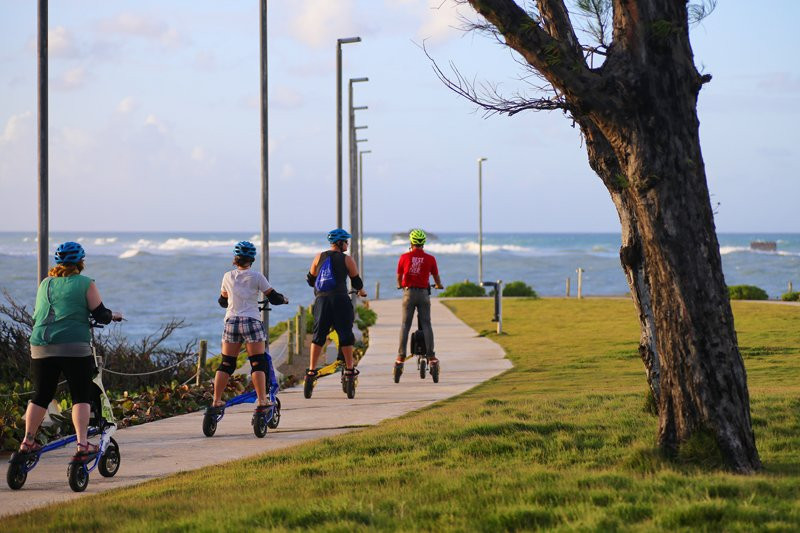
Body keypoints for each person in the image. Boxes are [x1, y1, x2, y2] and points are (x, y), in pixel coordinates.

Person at [21, 242, 122, 460]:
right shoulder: (85, 283)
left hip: (40, 345)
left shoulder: (45, 283)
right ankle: (82, 444)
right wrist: (113, 315)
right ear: (80, 262)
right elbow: (101, 314)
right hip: (74, 346)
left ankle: (27, 441)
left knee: (41, 396)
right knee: (80, 395)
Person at [209, 241, 287, 418]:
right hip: (251, 321)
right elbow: (273, 297)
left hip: (232, 322)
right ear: (252, 259)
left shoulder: (227, 276)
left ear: (235, 259)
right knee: (258, 362)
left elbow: (222, 301)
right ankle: (262, 400)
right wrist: (284, 299)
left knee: (227, 363)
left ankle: (216, 400)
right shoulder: (256, 276)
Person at [304, 229, 367, 386]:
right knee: (345, 334)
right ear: (340, 243)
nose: (347, 244)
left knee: (318, 336)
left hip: (321, 301)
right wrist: (361, 291)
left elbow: (310, 279)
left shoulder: (319, 256)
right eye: (346, 241)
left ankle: (311, 371)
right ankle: (350, 369)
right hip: (340, 300)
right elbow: (356, 281)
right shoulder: (347, 259)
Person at [396, 229, 443, 368]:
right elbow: (436, 277)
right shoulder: (430, 259)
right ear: (423, 243)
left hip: (408, 294)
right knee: (427, 324)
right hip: (423, 294)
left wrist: (400, 285)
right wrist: (439, 285)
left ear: (411, 242)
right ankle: (431, 356)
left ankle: (400, 356)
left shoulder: (404, 257)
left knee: (405, 325)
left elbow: (399, 277)